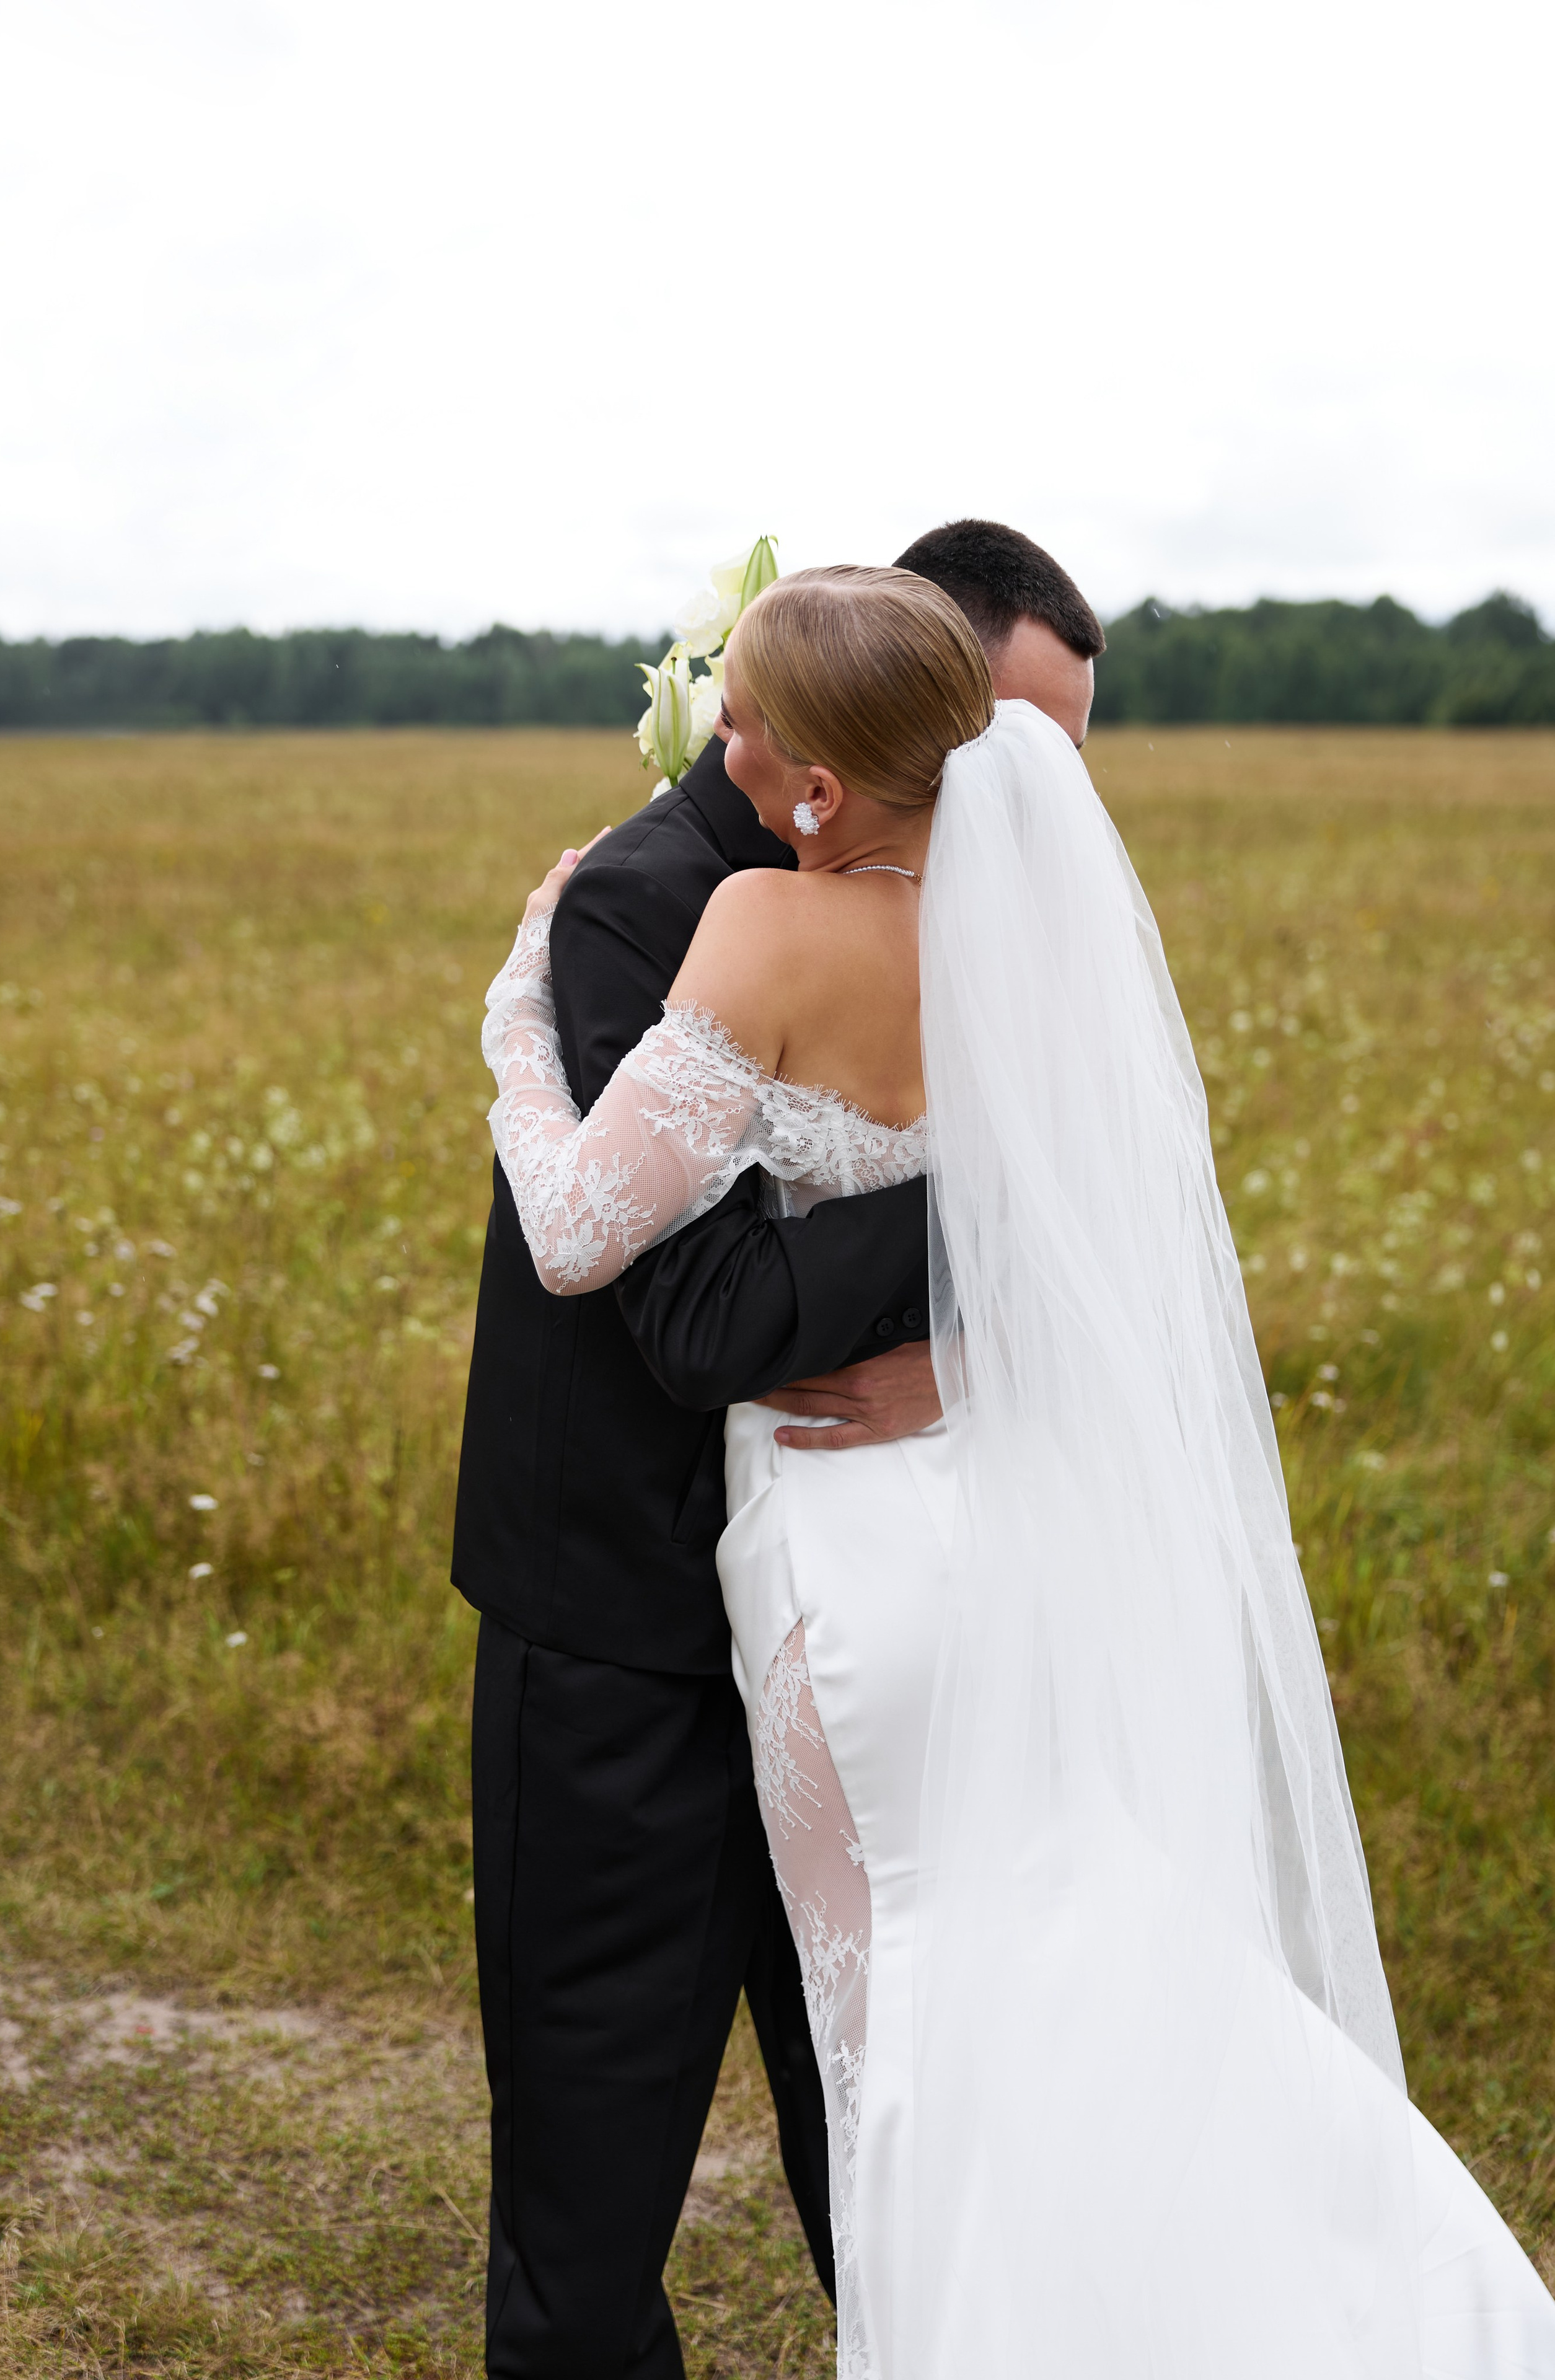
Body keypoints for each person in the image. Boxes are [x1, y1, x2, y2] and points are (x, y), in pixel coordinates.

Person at [484, 565, 1555, 2378]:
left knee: (902, 2029)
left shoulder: (757, 919)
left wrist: (515, 1024)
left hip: (840, 1549)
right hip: (995, 1524)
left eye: (746, 723)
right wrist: (979, 1345)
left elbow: (587, 1241)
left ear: (823, 782)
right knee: (1056, 1945)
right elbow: (1084, 1228)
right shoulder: (1034, 955)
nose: (724, 746)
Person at [452, 520, 1103, 2377]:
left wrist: (974, 1333)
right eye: (1013, 750)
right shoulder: (651, 901)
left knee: (903, 2140)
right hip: (634, 1637)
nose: (1041, 805)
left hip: (881, 1621)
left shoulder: (990, 925)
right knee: (593, 2184)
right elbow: (696, 1319)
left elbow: (1105, 1220)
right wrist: (988, 1222)